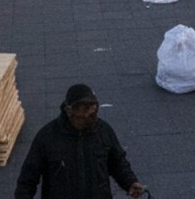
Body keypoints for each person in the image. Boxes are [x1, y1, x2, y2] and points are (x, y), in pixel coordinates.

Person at [15, 83, 145, 199]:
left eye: (93, 114)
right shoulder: (47, 137)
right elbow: (28, 179)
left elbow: (117, 162)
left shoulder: (103, 131)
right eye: (84, 115)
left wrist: (130, 183)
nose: (90, 120)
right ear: (69, 111)